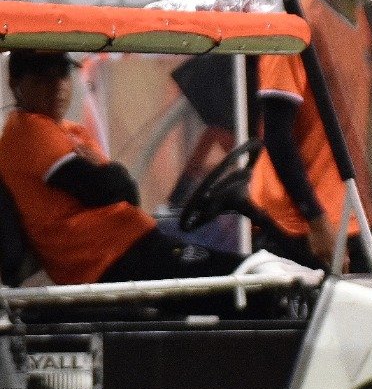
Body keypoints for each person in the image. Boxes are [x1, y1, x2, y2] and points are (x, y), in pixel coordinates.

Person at [0, 51, 243, 286]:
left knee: (240, 272)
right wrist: (113, 175)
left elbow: (126, 193)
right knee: (245, 278)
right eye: (42, 77)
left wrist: (112, 177)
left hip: (125, 247)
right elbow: (105, 188)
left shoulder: (69, 131)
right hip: (104, 258)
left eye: (61, 75)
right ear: (15, 83)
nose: (56, 86)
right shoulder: (29, 132)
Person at [247, 0, 372, 273]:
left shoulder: (361, 26)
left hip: (348, 210)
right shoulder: (294, 26)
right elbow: (277, 136)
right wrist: (315, 220)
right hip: (299, 221)